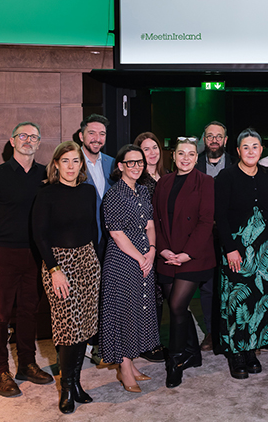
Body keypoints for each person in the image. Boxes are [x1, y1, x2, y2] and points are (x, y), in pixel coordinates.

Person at [0, 121, 54, 398]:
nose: (28, 140)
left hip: (34, 254)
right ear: (12, 141)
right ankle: (1, 373)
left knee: (29, 312)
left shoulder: (46, 175)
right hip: (3, 254)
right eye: (23, 136)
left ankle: (27, 364)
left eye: (34, 137)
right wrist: (0, 241)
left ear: (39, 143)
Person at [31, 141, 99, 414]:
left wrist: (95, 262)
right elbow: (40, 236)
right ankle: (66, 388)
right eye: (66, 161)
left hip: (88, 261)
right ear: (56, 164)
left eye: (76, 161)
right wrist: (54, 269)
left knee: (83, 326)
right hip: (59, 264)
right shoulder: (46, 194)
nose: (71, 167)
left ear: (81, 165)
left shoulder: (88, 192)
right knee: (68, 328)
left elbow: (92, 229)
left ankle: (77, 383)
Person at [214, 128, 268, 379]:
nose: (251, 151)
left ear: (261, 150)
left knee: (260, 302)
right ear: (238, 150)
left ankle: (252, 350)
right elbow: (219, 215)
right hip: (237, 250)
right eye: (246, 147)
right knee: (237, 301)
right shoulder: (226, 176)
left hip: (265, 251)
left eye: (255, 147)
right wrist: (230, 249)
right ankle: (236, 353)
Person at [152, 137, 216, 388]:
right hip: (168, 254)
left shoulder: (206, 182)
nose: (186, 158)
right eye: (181, 153)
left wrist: (187, 253)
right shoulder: (164, 182)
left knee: (177, 306)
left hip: (194, 256)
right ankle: (192, 353)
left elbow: (205, 221)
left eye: (191, 154)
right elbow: (156, 219)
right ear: (174, 156)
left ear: (196, 158)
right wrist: (164, 250)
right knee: (176, 306)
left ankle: (175, 361)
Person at [99, 144, 159, 393]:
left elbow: (150, 224)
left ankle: (131, 363)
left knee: (137, 310)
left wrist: (152, 251)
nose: (136, 167)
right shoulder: (113, 195)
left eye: (140, 162)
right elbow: (116, 233)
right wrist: (140, 258)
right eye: (131, 162)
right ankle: (124, 369)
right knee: (124, 313)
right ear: (121, 166)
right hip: (122, 261)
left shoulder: (143, 191)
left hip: (145, 256)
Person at [195, 120, 235, 352]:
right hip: (204, 237)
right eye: (209, 136)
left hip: (230, 234)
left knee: (232, 284)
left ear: (225, 140)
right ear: (204, 139)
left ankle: (231, 330)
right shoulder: (194, 164)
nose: (214, 140)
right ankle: (211, 332)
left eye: (218, 136)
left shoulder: (236, 164)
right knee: (208, 287)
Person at [133, 131, 168, 363]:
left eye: (154, 147)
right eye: (146, 149)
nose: (152, 152)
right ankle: (147, 344)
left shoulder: (166, 177)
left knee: (160, 295)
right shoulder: (137, 180)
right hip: (146, 244)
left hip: (165, 242)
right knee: (147, 295)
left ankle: (154, 339)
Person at [80, 114, 115, 260]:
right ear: (81, 136)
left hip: (110, 240)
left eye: (102, 134)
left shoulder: (113, 163)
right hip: (82, 240)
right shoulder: (71, 164)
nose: (97, 138)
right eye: (92, 133)